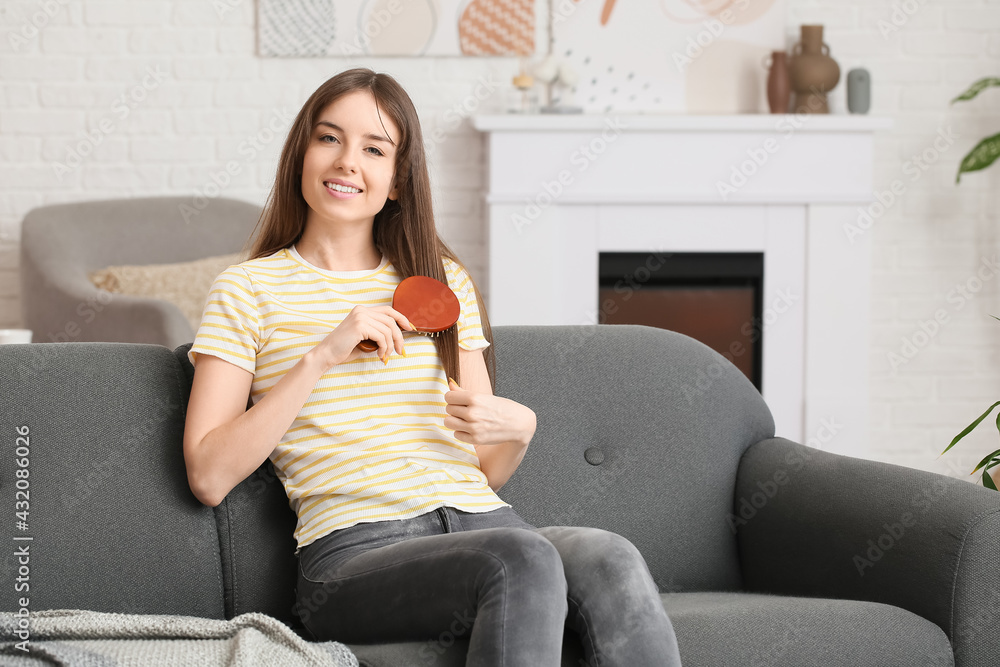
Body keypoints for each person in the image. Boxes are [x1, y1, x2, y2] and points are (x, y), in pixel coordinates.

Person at [183, 67, 682, 667]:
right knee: (519, 559)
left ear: (397, 180)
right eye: (329, 138)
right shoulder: (247, 290)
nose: (347, 162)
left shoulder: (441, 282)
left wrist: (518, 433)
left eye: (374, 149)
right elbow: (208, 474)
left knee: (610, 555)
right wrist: (320, 356)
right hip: (353, 551)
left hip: (483, 522)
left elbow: (483, 472)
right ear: (302, 154)